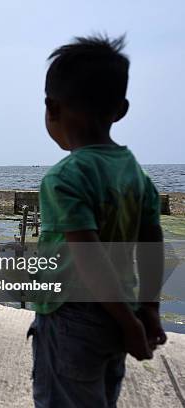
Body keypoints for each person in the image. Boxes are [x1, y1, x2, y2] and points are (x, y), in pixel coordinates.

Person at [29, 34, 167, 408]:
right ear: (121, 109)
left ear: (51, 108)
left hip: (70, 318)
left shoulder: (64, 178)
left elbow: (88, 257)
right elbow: (152, 241)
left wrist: (130, 324)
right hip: (119, 311)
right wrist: (147, 310)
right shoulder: (133, 172)